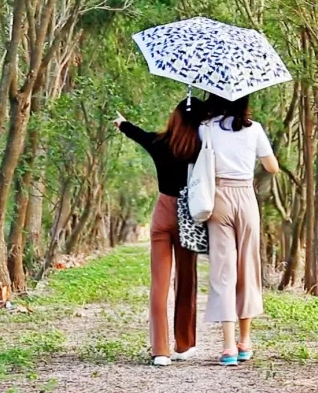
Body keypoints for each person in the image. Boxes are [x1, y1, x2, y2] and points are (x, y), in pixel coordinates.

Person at [114, 98, 205, 366]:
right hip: (189, 215)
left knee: (159, 283)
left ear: (174, 118)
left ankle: (160, 351)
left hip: (162, 215)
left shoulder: (159, 142)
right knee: (186, 281)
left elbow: (136, 133)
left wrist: (122, 123)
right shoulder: (200, 148)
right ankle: (184, 344)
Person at [199, 94, 279, 366]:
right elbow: (272, 167)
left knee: (223, 270)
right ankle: (245, 341)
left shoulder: (206, 127)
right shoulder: (253, 129)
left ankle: (228, 346)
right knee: (248, 267)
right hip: (245, 197)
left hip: (216, 197)